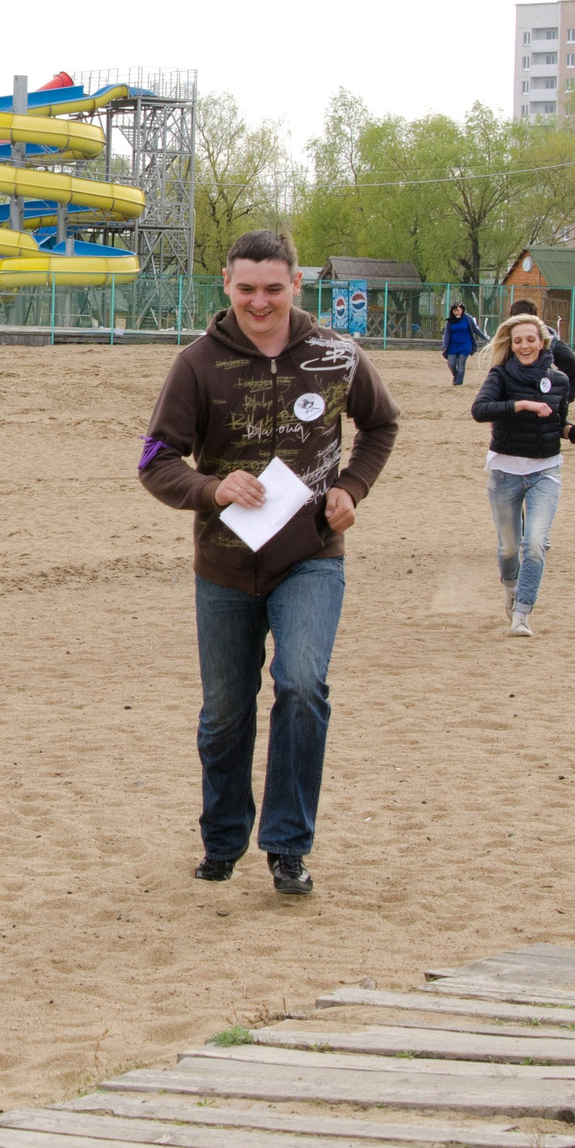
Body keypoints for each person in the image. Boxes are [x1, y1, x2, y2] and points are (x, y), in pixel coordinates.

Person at [139, 229, 399, 897]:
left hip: (311, 557)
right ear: (226, 283)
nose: (260, 302)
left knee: (302, 686)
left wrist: (350, 488)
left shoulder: (337, 356)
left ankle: (287, 845)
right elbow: (155, 462)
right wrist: (210, 489)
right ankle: (223, 840)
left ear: (297, 287)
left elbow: (382, 426)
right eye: (247, 288)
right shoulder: (197, 364)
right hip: (224, 566)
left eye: (274, 289)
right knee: (225, 712)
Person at [471, 312, 575, 637]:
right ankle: (510, 590)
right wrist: (522, 404)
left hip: (546, 470)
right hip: (504, 472)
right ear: (511, 346)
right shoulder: (500, 375)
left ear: (542, 343)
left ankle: (522, 614)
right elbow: (479, 410)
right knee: (509, 548)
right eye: (518, 341)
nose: (525, 345)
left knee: (536, 543)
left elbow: (560, 427)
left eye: (530, 339)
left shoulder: (560, 381)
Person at [442, 304, 485, 385]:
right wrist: (444, 345)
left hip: (465, 344)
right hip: (453, 345)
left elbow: (475, 329)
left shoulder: (468, 318)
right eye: (454, 311)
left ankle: (458, 382)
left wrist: (485, 338)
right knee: (451, 364)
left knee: (461, 364)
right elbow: (447, 334)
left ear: (462, 310)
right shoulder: (450, 321)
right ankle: (456, 375)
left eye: (458, 310)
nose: (456, 312)